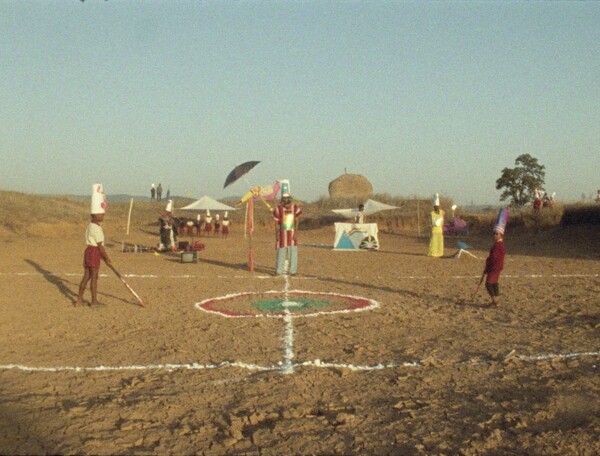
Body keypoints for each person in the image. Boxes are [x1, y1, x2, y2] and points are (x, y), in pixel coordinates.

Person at [75, 184, 112, 307]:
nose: (103, 216)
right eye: (101, 215)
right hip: (94, 252)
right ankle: (94, 301)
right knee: (94, 277)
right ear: (95, 215)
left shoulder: (90, 225)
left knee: (86, 276)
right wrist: (107, 258)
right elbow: (100, 246)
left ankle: (79, 300)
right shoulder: (96, 228)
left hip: (88, 251)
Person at [481, 209, 507, 306]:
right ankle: (496, 299)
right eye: (494, 233)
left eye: (497, 234)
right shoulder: (499, 245)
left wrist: (487, 267)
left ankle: (494, 300)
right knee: (494, 282)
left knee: (488, 284)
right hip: (497, 267)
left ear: (501, 235)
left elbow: (493, 258)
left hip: (494, 267)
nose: (495, 235)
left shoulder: (498, 246)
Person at [272, 192, 302, 275]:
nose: (285, 200)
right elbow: (276, 223)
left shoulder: (295, 208)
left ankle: (293, 271)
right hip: (282, 234)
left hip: (292, 234)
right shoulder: (278, 209)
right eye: (284, 199)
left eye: (287, 198)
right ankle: (279, 271)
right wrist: (276, 234)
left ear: (289, 198)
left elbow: (297, 221)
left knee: (293, 254)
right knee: (281, 253)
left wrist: (296, 232)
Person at [427, 193, 445, 257]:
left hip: (437, 230)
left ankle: (437, 253)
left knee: (436, 242)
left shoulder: (438, 213)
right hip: (436, 230)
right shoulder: (434, 213)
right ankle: (436, 253)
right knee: (436, 242)